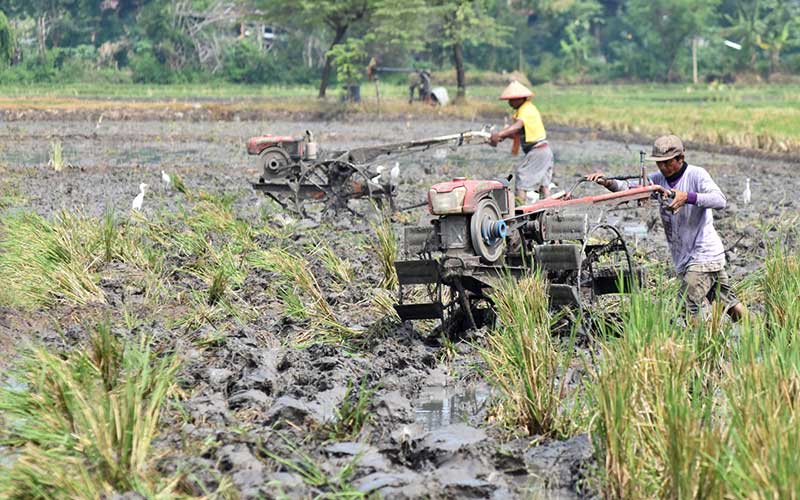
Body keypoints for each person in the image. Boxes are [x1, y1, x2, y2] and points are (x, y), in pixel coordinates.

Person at [587, 135, 746, 322]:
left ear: (680, 158)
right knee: (728, 302)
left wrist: (687, 197)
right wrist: (607, 182)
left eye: (666, 162)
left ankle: (701, 346)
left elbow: (720, 200)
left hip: (703, 254)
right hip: (686, 257)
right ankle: (758, 331)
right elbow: (629, 188)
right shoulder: (657, 180)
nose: (662, 168)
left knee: (687, 303)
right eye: (659, 163)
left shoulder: (696, 175)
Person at [489, 80, 554, 201]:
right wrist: (502, 136)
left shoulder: (526, 110)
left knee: (522, 176)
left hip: (538, 150)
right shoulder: (526, 109)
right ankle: (549, 210)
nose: (510, 102)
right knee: (544, 184)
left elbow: (518, 126)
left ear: (521, 98)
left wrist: (500, 133)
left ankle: (520, 209)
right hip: (543, 150)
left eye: (512, 99)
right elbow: (519, 134)